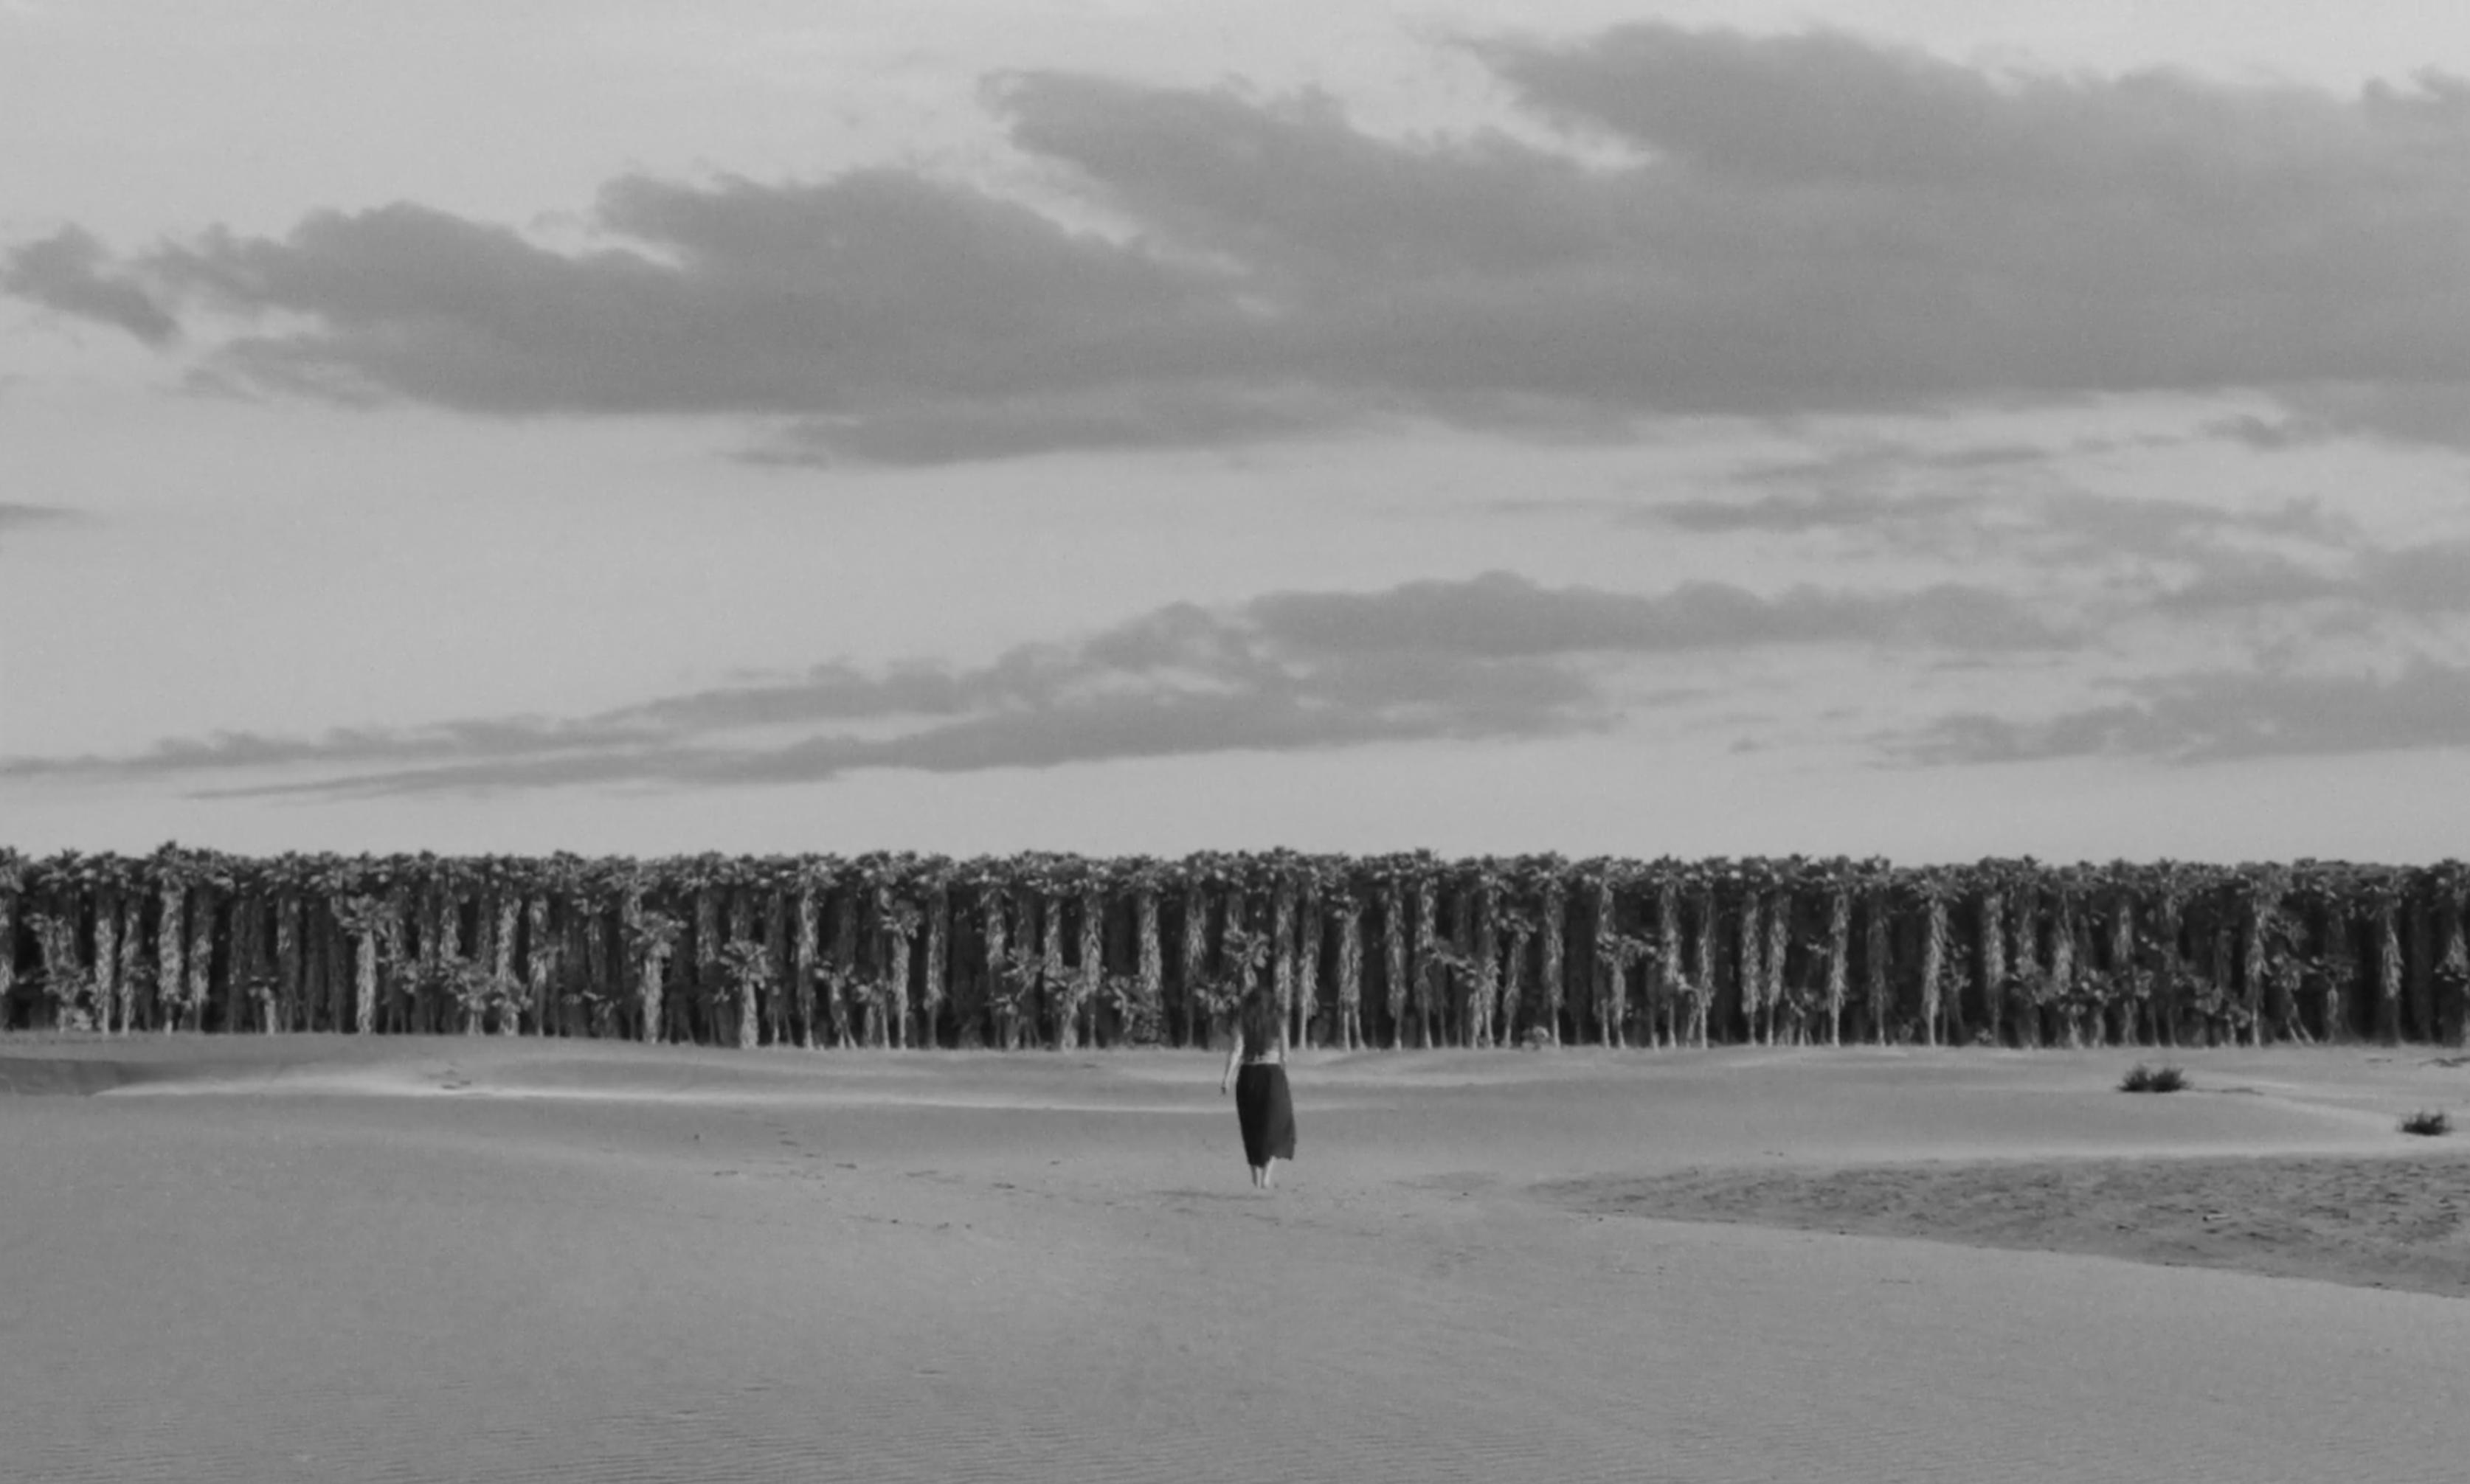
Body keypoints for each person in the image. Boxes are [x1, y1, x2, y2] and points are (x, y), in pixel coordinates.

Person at [1218, 991, 1295, 1190]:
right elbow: (1285, 1052)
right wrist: (1283, 1071)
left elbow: (1237, 1049)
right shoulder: (1278, 1019)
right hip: (1272, 1074)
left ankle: (1255, 1177)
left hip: (1248, 1076)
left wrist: (1227, 1078)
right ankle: (1267, 1175)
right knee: (1278, 1125)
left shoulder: (1242, 1020)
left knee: (1251, 1126)